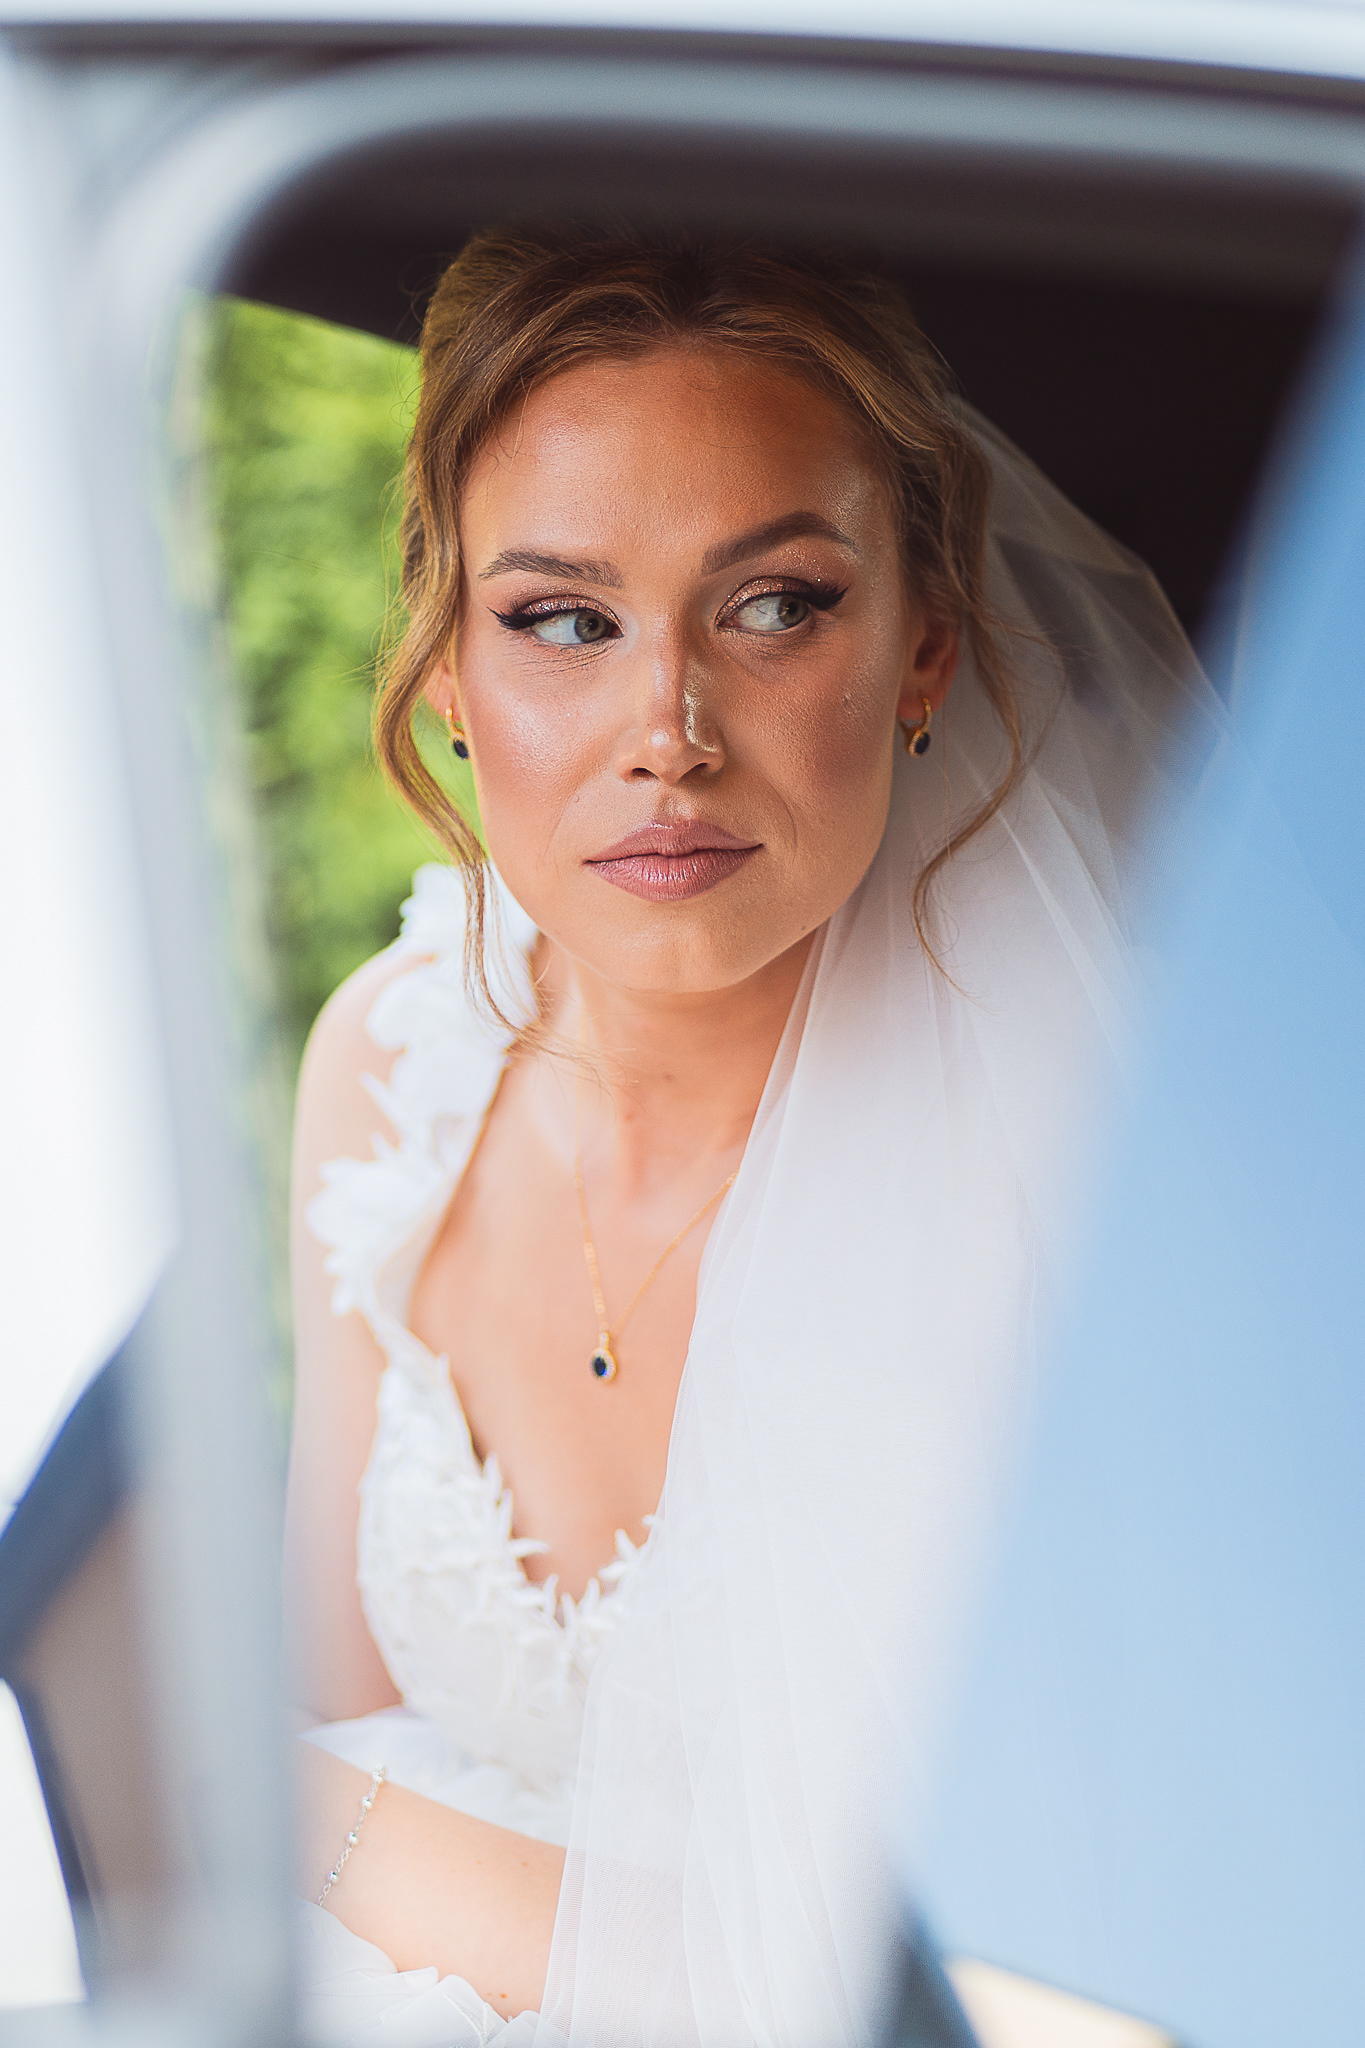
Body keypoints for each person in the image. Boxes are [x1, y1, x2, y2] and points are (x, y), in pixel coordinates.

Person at [282, 227, 1207, 2046]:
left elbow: (947, 1979)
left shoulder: (1065, 1185)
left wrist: (306, 1832)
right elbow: (331, 1718)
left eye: (774, 605)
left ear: (923, 650)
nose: (669, 733)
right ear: (448, 671)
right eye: (563, 620)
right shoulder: (386, 1070)